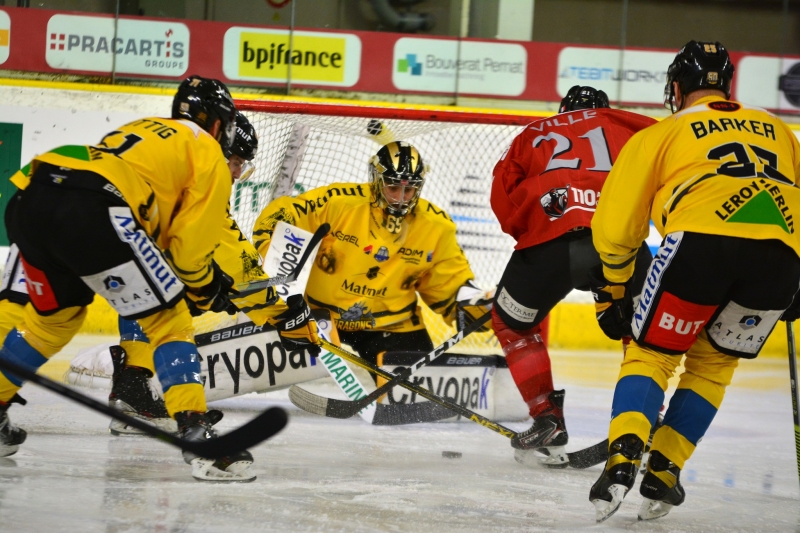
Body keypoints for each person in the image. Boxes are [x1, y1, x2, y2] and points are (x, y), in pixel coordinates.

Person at [0, 76, 311, 482]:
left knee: (53, 322)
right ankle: (196, 432)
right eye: (236, 162)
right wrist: (207, 288)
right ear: (220, 127)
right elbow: (189, 257)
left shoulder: (147, 131)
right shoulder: (209, 156)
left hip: (33, 194)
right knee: (169, 320)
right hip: (95, 206)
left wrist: (207, 285)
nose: (236, 172)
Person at [588, 41, 800, 522]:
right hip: (779, 260)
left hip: (701, 245)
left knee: (653, 353)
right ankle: (665, 470)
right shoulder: (781, 131)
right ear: (725, 85)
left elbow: (617, 228)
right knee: (712, 367)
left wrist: (617, 288)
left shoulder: (664, 132)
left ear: (677, 87)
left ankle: (622, 462)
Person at [107, 110, 319, 436]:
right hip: (92, 219)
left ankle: (132, 388)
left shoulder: (169, 155)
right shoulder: (200, 184)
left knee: (152, 283)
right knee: (169, 301)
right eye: (236, 163)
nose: (237, 174)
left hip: (56, 197)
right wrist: (282, 316)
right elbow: (237, 259)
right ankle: (178, 410)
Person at [490, 85, 657, 468]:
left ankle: (546, 417)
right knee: (643, 332)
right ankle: (645, 420)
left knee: (512, 323)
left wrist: (535, 234)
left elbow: (504, 197)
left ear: (561, 110)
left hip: (552, 240)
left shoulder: (535, 131)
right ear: (607, 109)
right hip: (620, 241)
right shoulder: (634, 126)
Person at [252, 141, 492, 372]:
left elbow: (449, 283)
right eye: (393, 187)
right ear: (377, 180)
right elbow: (285, 215)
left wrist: (475, 305)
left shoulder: (436, 226)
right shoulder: (339, 203)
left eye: (408, 190)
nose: (401, 198)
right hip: (317, 318)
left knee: (416, 397)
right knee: (265, 353)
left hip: (392, 325)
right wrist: (273, 264)